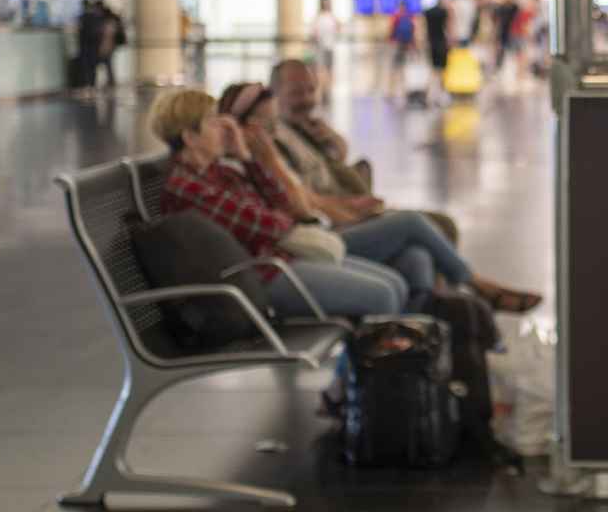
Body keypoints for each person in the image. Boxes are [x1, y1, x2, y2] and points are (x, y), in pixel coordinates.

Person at [217, 82, 537, 313]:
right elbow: (300, 209)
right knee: (414, 224)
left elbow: (324, 178)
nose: (272, 130)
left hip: (326, 225)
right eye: (265, 123)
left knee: (416, 256)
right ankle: (476, 285)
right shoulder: (257, 159)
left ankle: (421, 342)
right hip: (314, 240)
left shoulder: (286, 138)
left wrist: (332, 150)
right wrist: (268, 161)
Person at [148, 89, 408, 321]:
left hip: (277, 261)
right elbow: (266, 225)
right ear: (191, 137)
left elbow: (280, 203)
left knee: (395, 284)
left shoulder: (218, 172)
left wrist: (246, 157)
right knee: (384, 295)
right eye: (213, 122)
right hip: (256, 279)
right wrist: (286, 220)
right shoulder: (188, 188)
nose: (225, 128)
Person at [268, 59, 462, 243]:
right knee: (439, 226)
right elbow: (306, 198)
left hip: (355, 211)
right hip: (337, 221)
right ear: (274, 96)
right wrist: (353, 207)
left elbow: (339, 159)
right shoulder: (276, 143)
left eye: (311, 91)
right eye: (296, 93)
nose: (308, 100)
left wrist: (332, 138)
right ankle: (470, 278)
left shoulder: (307, 128)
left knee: (420, 254)